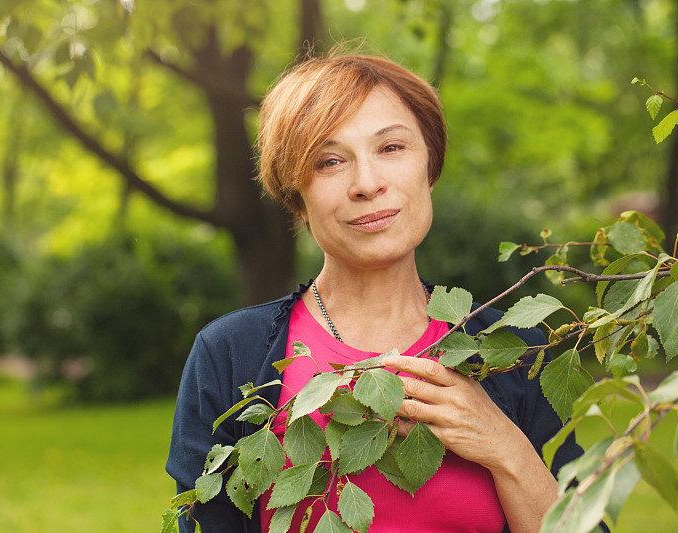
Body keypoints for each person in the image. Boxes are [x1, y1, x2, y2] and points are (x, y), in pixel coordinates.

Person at [166, 50, 582, 533]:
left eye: (391, 149)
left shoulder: (517, 353)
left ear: (429, 164)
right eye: (329, 161)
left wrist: (506, 447)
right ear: (295, 192)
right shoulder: (229, 354)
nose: (367, 183)